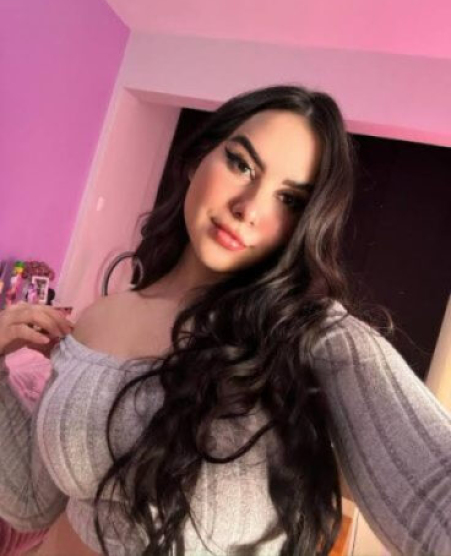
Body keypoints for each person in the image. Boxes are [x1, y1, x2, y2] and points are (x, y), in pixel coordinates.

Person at [0, 84, 450, 556]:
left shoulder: (309, 337)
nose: (249, 208)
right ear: (199, 157)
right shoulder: (99, 317)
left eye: (290, 199)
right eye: (242, 165)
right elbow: (31, 503)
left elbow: (436, 489)